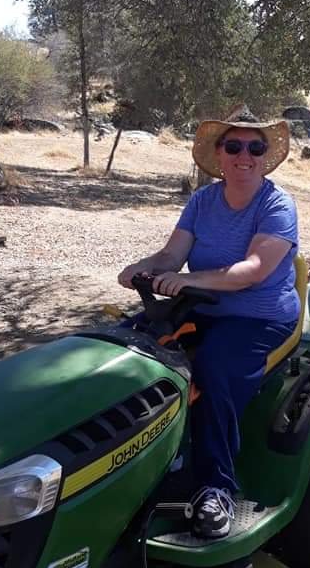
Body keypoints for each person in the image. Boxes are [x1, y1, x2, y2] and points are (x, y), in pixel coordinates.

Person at [118, 112, 299, 539]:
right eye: (233, 146)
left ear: (264, 156)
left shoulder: (276, 205)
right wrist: (138, 269)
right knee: (125, 343)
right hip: (201, 307)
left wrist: (187, 280)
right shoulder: (202, 201)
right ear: (219, 155)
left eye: (255, 148)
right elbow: (169, 257)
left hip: (259, 317)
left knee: (215, 371)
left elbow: (253, 270)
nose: (244, 156)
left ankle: (215, 489)